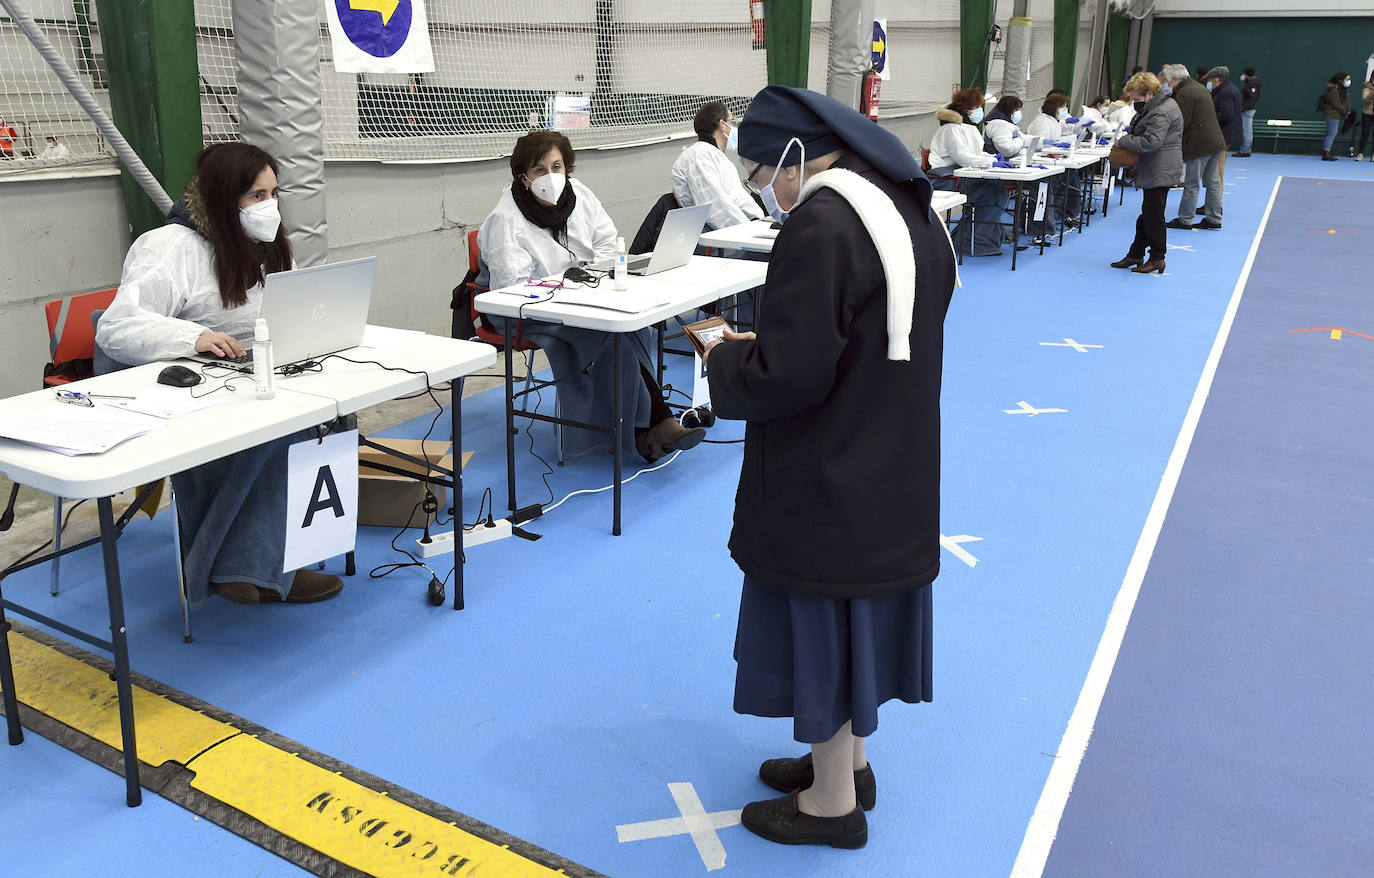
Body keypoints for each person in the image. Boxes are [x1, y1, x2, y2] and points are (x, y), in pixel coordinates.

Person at [703, 84, 956, 850]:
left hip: (829, 468)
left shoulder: (822, 222)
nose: (762, 188)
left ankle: (831, 806)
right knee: (858, 621)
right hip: (891, 453)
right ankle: (849, 765)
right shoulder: (902, 202)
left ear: (792, 158)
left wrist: (724, 359)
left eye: (760, 172)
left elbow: (791, 374)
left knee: (822, 623)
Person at [95, 142, 344, 606]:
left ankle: (282, 555)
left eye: (273, 193)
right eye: (256, 195)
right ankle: (240, 567)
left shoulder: (256, 245)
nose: (268, 205)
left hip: (235, 371)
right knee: (276, 432)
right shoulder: (168, 246)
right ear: (223, 197)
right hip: (174, 380)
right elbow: (118, 326)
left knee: (330, 415)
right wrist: (193, 338)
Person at [476, 129, 705, 461]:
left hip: (582, 295)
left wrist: (591, 276)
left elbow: (609, 243)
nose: (551, 177)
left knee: (629, 325)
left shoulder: (578, 194)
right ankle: (649, 428)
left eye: (557, 167)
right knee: (604, 334)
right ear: (523, 177)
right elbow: (513, 287)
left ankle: (647, 425)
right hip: (527, 311)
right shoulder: (505, 219)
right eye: (540, 170)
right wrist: (569, 283)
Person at [1110, 72, 1183, 275]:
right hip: (1159, 167)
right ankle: (1136, 253)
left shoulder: (1160, 112)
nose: (1134, 101)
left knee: (1153, 216)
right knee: (1148, 214)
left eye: (1136, 97)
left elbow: (1151, 142)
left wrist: (1122, 142)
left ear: (1149, 94)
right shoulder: (1161, 106)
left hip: (1160, 168)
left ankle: (1157, 257)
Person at [926, 88, 1004, 256]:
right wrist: (991, 160)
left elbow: (974, 154)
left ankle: (974, 237)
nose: (979, 111)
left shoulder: (969, 128)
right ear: (967, 108)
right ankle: (974, 240)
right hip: (945, 178)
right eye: (977, 106)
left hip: (958, 175)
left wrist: (993, 157)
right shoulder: (951, 129)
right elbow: (962, 157)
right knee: (993, 190)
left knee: (996, 187)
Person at [671, 101, 763, 231]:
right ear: (722, 125)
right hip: (713, 234)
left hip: (734, 228)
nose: (734, 127)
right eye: (732, 122)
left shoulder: (717, 156)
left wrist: (758, 219)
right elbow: (714, 207)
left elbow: (738, 197)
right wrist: (748, 231)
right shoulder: (699, 155)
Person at [1160, 63, 1225, 230]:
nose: (1167, 83)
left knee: (1192, 183)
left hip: (1199, 145)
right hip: (1215, 141)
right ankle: (1214, 218)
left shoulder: (1184, 93)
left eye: (1168, 80)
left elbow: (1181, 123)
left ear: (1174, 79)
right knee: (1213, 182)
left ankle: (1186, 218)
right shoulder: (1200, 88)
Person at [1204, 66, 1243, 185]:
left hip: (1223, 135)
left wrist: (1209, 119)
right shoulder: (1229, 89)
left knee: (1217, 170)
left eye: (1209, 81)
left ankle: (1215, 203)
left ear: (1216, 80)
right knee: (1216, 170)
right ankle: (1213, 202)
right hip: (1226, 134)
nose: (1208, 84)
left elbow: (1226, 114)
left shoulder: (1225, 92)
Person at [1318, 72, 1352, 161]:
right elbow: (1336, 104)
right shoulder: (1334, 91)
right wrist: (1345, 112)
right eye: (1347, 79)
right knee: (1332, 132)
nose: (1348, 81)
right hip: (1331, 115)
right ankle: (1326, 153)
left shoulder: (1342, 91)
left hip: (1335, 115)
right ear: (1340, 81)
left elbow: (1344, 102)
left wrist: (1348, 110)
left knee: (1331, 132)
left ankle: (1327, 151)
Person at [982, 94, 1025, 158]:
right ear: (1009, 108)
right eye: (1016, 110)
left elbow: (1021, 137)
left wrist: (1040, 141)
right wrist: (1019, 140)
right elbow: (1007, 150)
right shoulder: (1000, 124)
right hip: (999, 161)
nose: (1018, 113)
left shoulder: (1004, 123)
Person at [1235, 67, 1262, 157]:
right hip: (1249, 109)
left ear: (1246, 74)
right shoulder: (1251, 84)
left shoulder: (1251, 85)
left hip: (1248, 110)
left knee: (1246, 131)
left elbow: (1253, 98)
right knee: (1248, 130)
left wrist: (1243, 108)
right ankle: (1247, 150)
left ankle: (1244, 150)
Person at [1358, 76, 1374, 161]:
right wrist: (1372, 94)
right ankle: (1360, 153)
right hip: (1367, 113)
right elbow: (1365, 100)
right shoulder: (1367, 87)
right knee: (1365, 133)